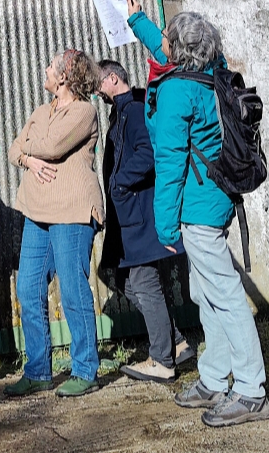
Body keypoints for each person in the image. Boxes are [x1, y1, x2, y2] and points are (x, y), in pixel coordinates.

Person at [126, 0, 269, 428]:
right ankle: (213, 377)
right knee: (205, 294)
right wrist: (138, 20)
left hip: (197, 206)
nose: (163, 45)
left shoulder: (176, 91)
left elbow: (170, 164)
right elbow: (170, 46)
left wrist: (165, 225)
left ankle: (251, 391)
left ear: (177, 48)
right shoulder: (214, 70)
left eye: (168, 40)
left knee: (224, 296)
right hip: (217, 195)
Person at [4, 49, 104, 398]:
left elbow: (53, 146)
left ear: (64, 76)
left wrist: (29, 150)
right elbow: (14, 150)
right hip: (38, 211)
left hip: (72, 210)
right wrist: (28, 159)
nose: (45, 69)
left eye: (50, 66)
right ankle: (38, 371)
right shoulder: (41, 112)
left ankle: (85, 369)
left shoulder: (84, 111)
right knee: (28, 289)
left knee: (73, 290)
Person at [96, 59, 195, 383]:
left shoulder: (136, 110)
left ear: (113, 78)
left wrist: (119, 182)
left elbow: (149, 153)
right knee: (122, 278)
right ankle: (176, 343)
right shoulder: (122, 112)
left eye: (99, 82)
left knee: (143, 282)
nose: (96, 90)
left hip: (141, 213)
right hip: (128, 216)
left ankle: (162, 360)